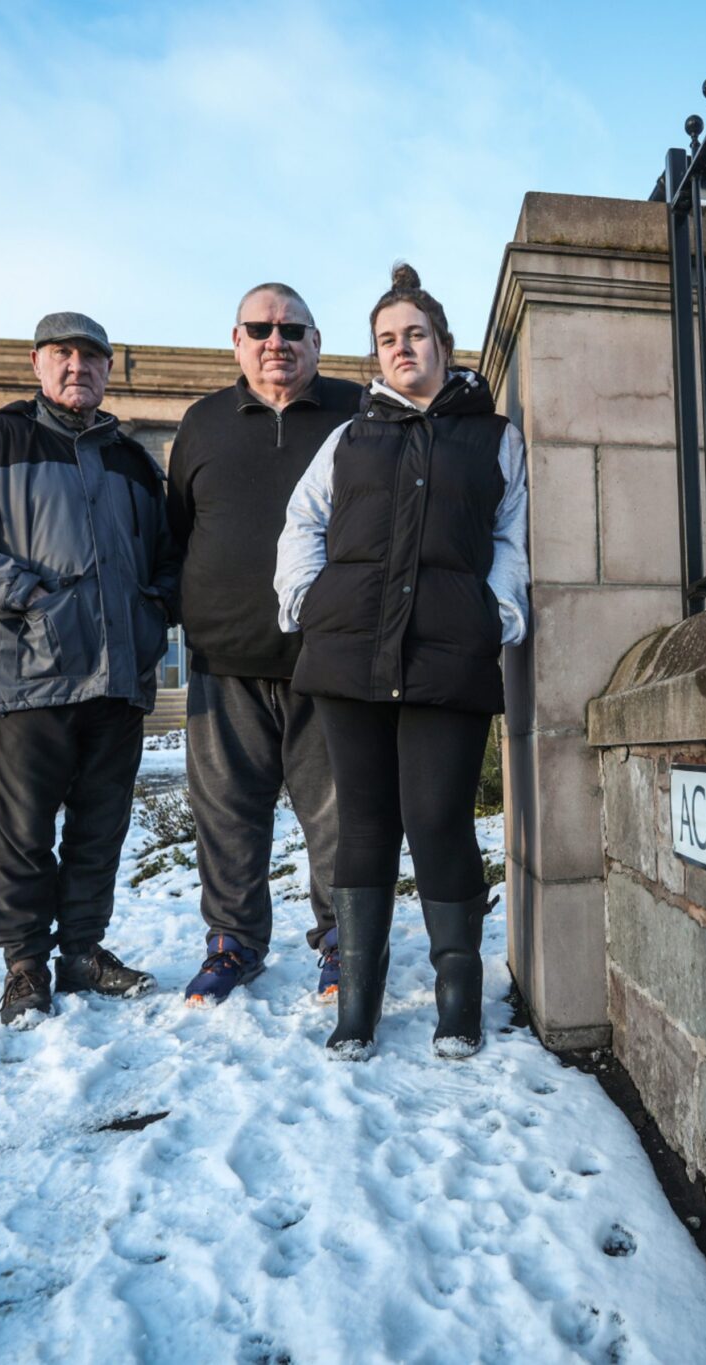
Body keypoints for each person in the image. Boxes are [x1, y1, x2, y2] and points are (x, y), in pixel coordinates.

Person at [275, 263, 528, 1060]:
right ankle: (358, 1002)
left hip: (448, 654)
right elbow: (301, 524)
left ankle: (460, 995)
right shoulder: (350, 435)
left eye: (415, 334)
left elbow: (513, 539)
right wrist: (307, 604)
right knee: (366, 821)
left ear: (445, 345)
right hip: (349, 652)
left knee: (438, 818)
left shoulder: (494, 437)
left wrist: (497, 614)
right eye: (387, 339)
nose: (401, 348)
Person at [0, 312, 181, 1025]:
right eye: (62, 355)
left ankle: (84, 952)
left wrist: (154, 615)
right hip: (31, 673)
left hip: (119, 678)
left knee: (102, 828)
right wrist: (26, 593)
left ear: (107, 371)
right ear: (36, 364)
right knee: (25, 830)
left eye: (91, 358)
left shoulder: (131, 459)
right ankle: (26, 965)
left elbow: (165, 557)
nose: (77, 368)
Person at [166, 284, 359, 1005]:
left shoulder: (357, 411)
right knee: (225, 815)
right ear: (237, 341)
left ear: (317, 341)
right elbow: (178, 530)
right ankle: (233, 944)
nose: (275, 340)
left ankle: (346, 941)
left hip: (329, 659)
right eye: (260, 328)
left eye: (292, 328)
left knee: (340, 814)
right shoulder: (203, 422)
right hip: (225, 663)